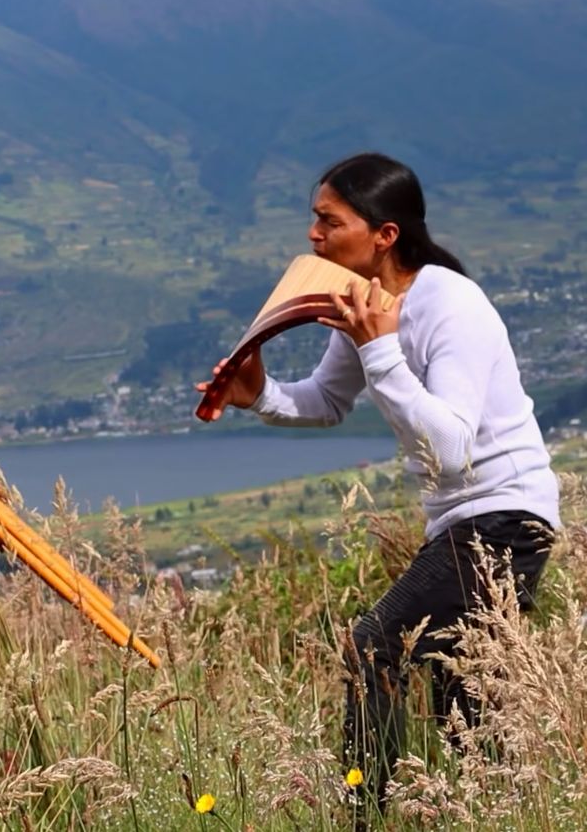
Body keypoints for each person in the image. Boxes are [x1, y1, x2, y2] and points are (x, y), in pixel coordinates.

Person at [197, 152, 560, 810]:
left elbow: (450, 450)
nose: (314, 236)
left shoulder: (452, 304)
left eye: (329, 222)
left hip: (504, 518)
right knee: (467, 703)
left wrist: (379, 347)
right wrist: (258, 394)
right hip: (464, 523)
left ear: (384, 234)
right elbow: (325, 402)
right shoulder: (367, 304)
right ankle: (497, 813)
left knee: (374, 645)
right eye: (315, 221)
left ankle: (368, 814)